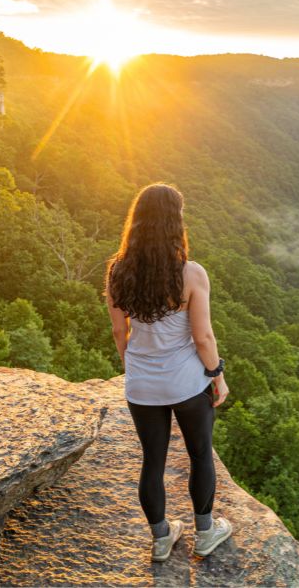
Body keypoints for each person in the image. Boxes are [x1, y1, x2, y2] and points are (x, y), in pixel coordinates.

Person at [104, 182, 234, 563]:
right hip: (188, 383)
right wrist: (217, 375)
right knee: (200, 455)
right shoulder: (190, 274)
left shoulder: (118, 272)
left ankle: (161, 540)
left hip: (142, 386)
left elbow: (118, 331)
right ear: (175, 223)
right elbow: (203, 336)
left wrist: (135, 368)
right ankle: (205, 533)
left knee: (153, 461)